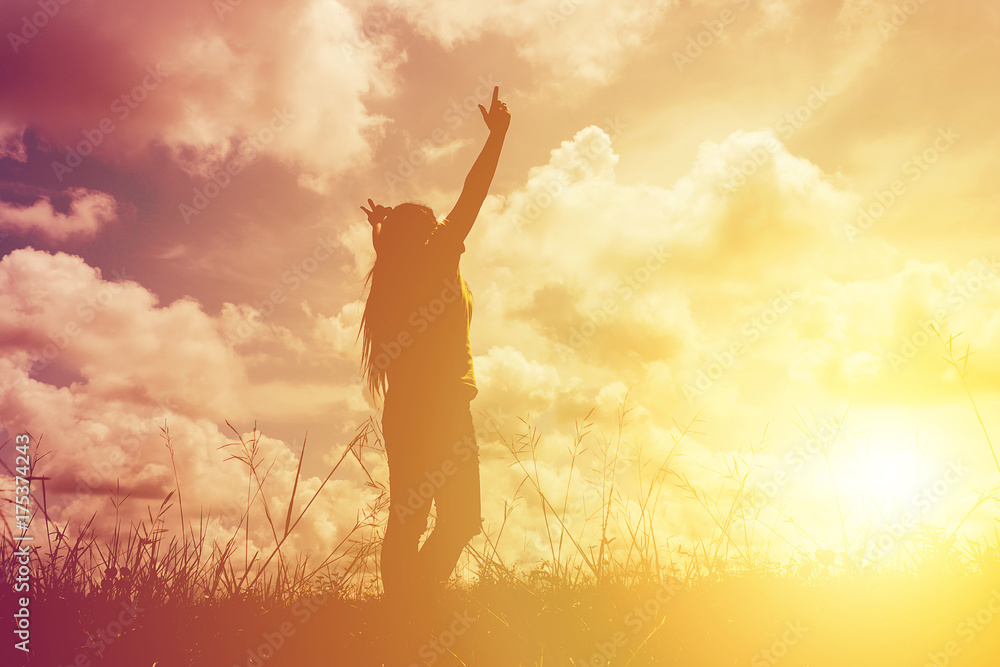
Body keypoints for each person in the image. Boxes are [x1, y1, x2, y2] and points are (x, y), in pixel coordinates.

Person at [359, 86, 510, 609]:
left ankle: (407, 604)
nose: (444, 226)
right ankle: (413, 603)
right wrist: (497, 139)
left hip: (407, 408)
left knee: (411, 516)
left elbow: (389, 247)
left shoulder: (393, 274)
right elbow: (473, 195)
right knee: (459, 518)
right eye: (433, 222)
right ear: (426, 235)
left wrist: (380, 228)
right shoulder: (439, 256)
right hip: (442, 406)